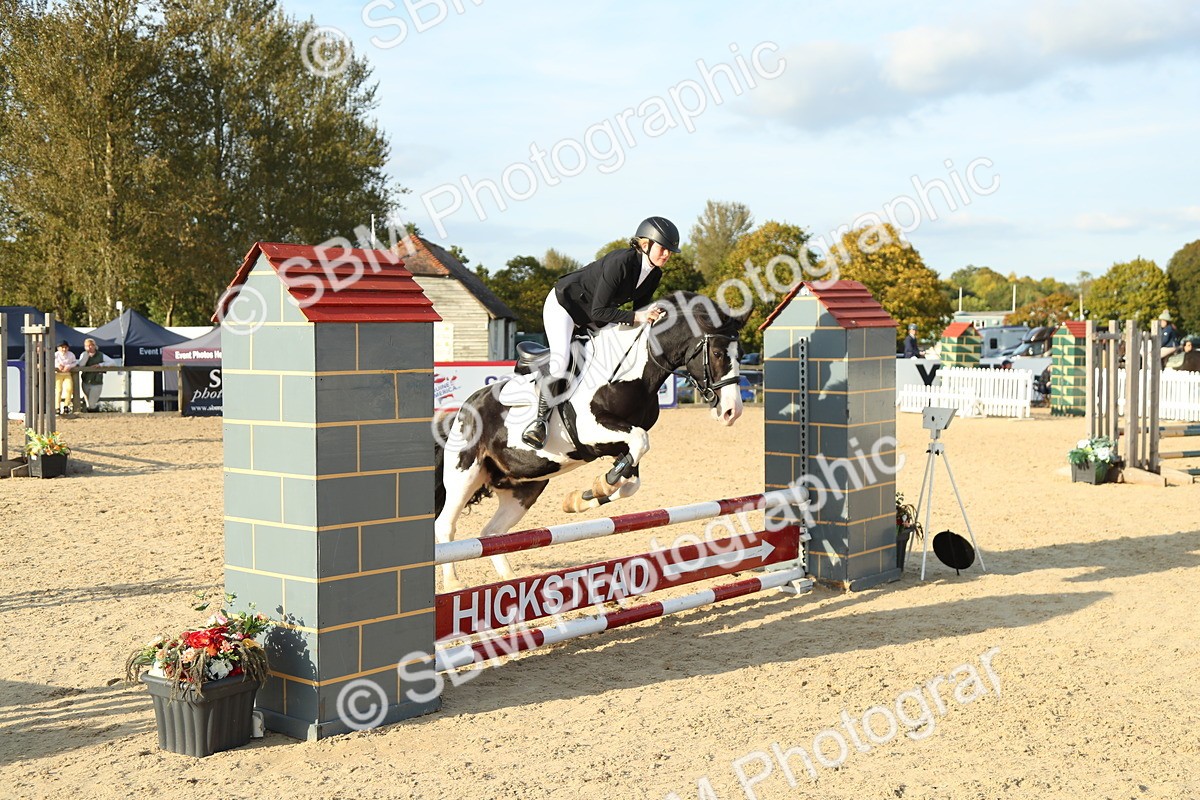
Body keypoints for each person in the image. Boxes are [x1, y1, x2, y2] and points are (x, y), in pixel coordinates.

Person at [521, 215, 680, 448]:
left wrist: (657, 318)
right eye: (663, 248)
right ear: (645, 245)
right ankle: (539, 423)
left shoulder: (654, 274)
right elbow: (600, 312)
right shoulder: (621, 263)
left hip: (594, 315)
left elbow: (641, 313)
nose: (667, 255)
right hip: (565, 306)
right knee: (561, 360)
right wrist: (639, 317)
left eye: (670, 251)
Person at [76, 337, 114, 411]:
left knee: (92, 403)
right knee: (87, 402)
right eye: (87, 346)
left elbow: (112, 362)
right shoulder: (83, 355)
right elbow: (81, 365)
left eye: (91, 345)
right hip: (85, 381)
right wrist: (86, 356)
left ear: (94, 346)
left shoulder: (100, 355)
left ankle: (95, 412)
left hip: (97, 381)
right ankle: (91, 416)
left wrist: (100, 365)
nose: (89, 347)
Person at [53, 340, 78, 414]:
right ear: (58, 348)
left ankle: (66, 405)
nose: (64, 349)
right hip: (58, 374)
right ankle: (57, 407)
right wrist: (58, 366)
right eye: (62, 347)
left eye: (65, 347)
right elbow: (52, 361)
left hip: (67, 374)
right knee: (58, 390)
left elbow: (75, 362)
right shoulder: (56, 354)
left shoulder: (71, 354)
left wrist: (69, 366)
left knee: (69, 389)